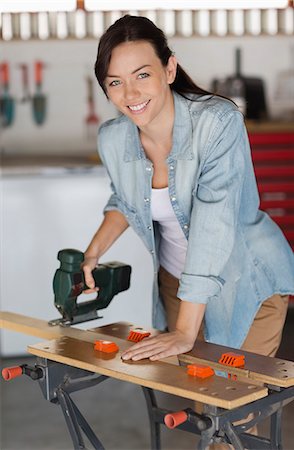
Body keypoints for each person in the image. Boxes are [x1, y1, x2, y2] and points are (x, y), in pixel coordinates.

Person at [82, 14, 294, 364]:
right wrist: (93, 252)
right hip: (176, 284)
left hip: (243, 280)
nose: (130, 93)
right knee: (195, 401)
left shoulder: (217, 122)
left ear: (169, 69)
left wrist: (184, 331)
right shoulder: (113, 137)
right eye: (115, 82)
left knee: (233, 405)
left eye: (142, 75)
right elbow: (125, 198)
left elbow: (213, 225)